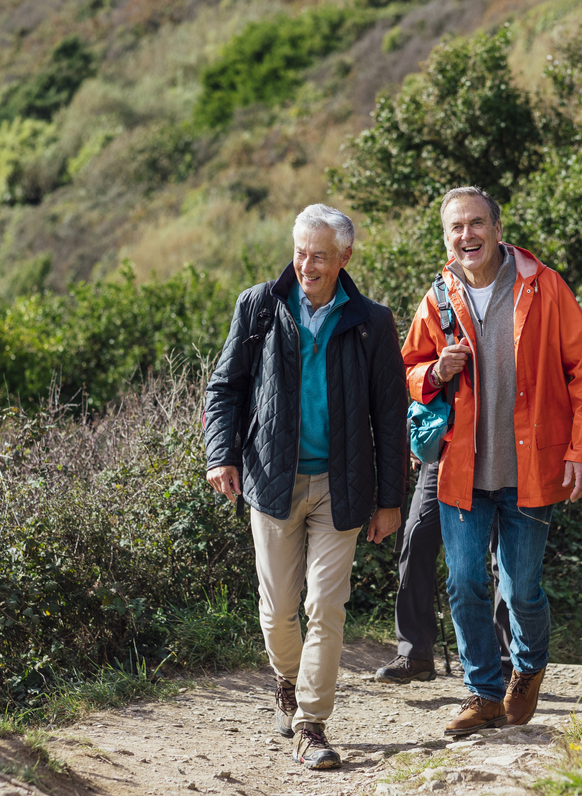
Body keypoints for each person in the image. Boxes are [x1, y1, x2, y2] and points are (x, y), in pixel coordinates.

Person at [203, 204, 408, 770]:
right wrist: (220, 455)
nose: (307, 265)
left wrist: (390, 500)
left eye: (319, 255)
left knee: (326, 604)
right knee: (277, 614)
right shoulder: (260, 306)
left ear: (345, 256)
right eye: (300, 252)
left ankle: (311, 725)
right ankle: (285, 681)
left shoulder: (371, 321)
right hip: (271, 480)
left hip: (341, 487)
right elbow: (225, 387)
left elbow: (391, 415)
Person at [400, 186, 582, 737]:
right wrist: (434, 373)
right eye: (455, 228)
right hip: (460, 471)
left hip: (532, 470)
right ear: (446, 239)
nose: (465, 235)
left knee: (520, 589)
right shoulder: (438, 298)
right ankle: (483, 692)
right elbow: (407, 372)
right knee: (465, 583)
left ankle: (528, 672)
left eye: (475, 224)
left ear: (496, 227)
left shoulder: (544, 286)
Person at [374, 461, 514, 685]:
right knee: (415, 539)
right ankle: (415, 653)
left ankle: (507, 665)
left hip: (501, 459)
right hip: (441, 456)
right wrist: (419, 433)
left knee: (506, 558)